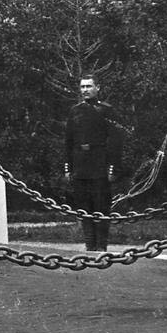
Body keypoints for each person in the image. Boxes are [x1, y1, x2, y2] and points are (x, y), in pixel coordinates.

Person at [63, 75, 124, 252]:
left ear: (98, 87)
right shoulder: (75, 111)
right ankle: (90, 247)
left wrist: (112, 168)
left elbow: (116, 142)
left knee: (101, 209)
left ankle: (101, 248)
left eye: (89, 86)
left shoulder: (107, 110)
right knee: (84, 209)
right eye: (82, 87)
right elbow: (68, 141)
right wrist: (68, 167)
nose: (85, 90)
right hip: (80, 166)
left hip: (99, 166)